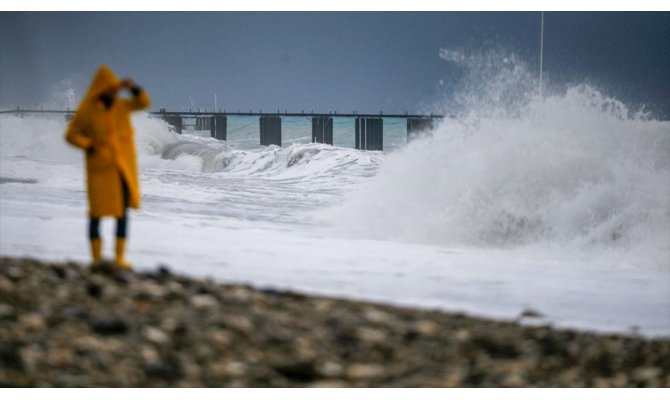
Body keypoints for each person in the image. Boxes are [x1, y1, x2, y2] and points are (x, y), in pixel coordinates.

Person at [65, 66, 150, 269]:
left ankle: (119, 258)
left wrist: (134, 88)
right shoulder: (87, 110)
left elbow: (143, 102)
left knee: (122, 213)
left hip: (121, 169)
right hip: (99, 170)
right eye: (110, 89)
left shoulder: (121, 106)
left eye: (115, 89)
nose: (113, 93)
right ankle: (96, 259)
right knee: (96, 214)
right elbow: (71, 135)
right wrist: (88, 145)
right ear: (100, 89)